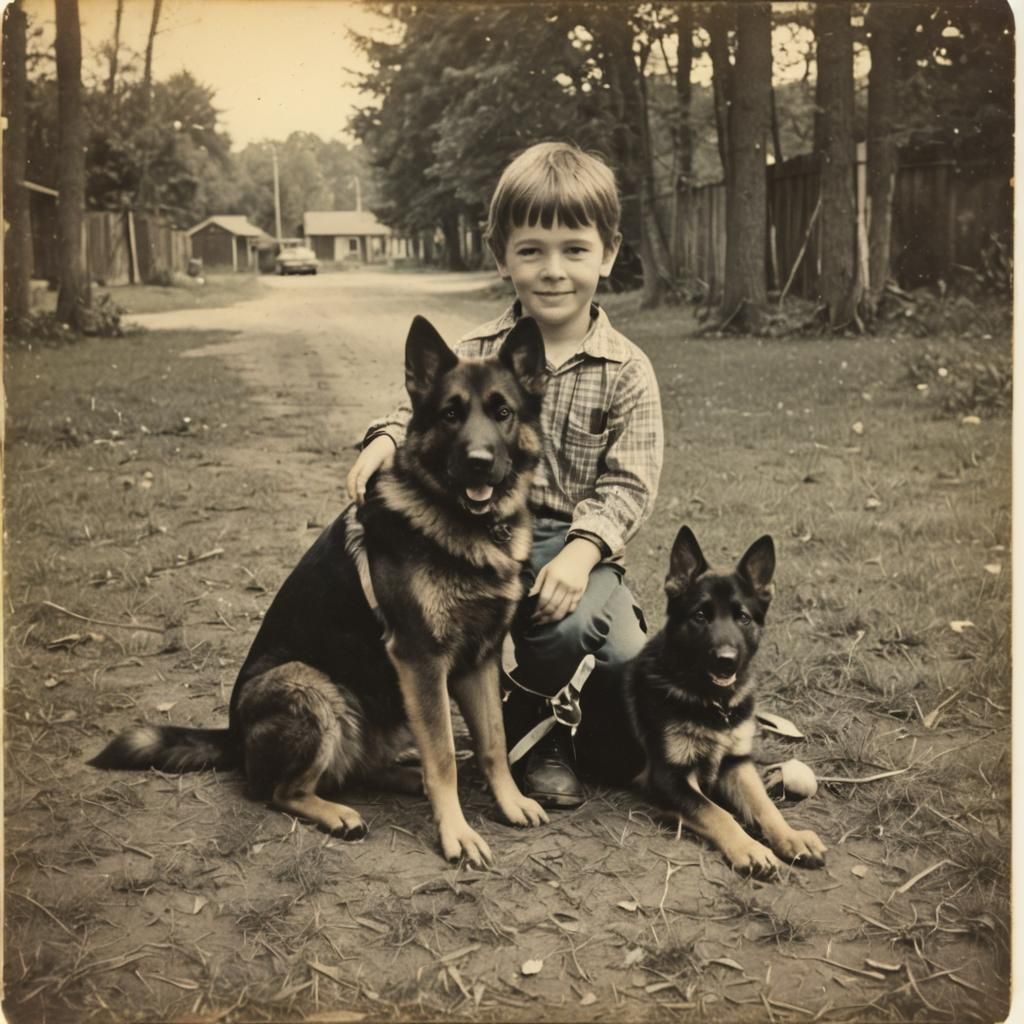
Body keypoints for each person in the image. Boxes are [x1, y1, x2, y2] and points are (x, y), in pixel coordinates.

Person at [346, 141, 664, 807]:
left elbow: (630, 484)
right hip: (476, 530)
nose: (553, 271)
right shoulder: (480, 351)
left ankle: (547, 712)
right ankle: (532, 736)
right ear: (502, 256)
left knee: (619, 653)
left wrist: (581, 554)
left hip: (569, 544)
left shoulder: (627, 370)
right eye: (531, 250)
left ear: (606, 254)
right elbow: (424, 409)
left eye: (574, 249)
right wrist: (380, 438)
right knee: (493, 623)